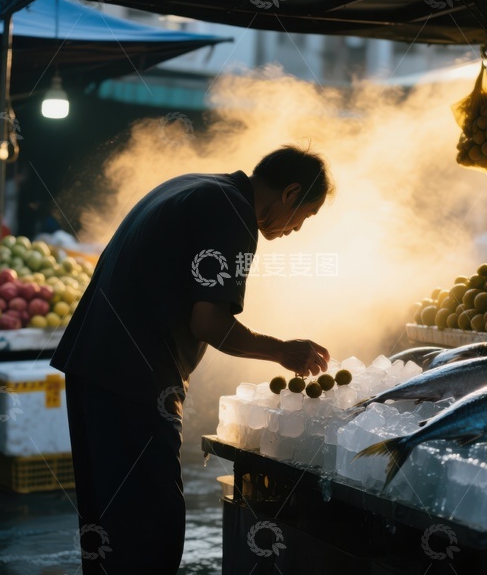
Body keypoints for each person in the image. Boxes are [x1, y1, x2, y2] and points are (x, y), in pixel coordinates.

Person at [51, 145, 334, 574]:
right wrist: (281, 351)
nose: (296, 230)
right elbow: (209, 322)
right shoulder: (232, 213)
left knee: (106, 519)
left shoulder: (195, 186)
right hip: (133, 378)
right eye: (304, 218)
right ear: (291, 193)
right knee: (151, 522)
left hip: (92, 366)